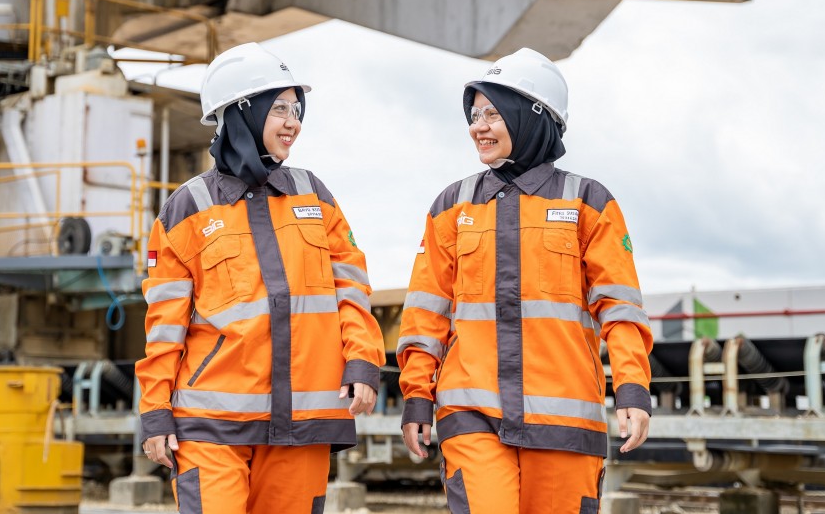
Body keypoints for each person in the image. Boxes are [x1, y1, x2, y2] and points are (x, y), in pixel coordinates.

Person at [397, 47, 653, 514]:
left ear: (533, 116)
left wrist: (633, 389)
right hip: (471, 413)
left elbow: (620, 308)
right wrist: (417, 396)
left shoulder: (588, 202)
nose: (478, 126)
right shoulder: (453, 207)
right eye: (474, 115)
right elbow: (425, 314)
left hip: (564, 418)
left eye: (493, 113)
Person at [136, 42, 385, 514]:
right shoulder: (186, 209)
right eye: (279, 109)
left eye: (298, 109)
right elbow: (163, 327)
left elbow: (351, 288)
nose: (293, 122)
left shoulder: (317, 196)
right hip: (210, 425)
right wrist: (155, 411)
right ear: (240, 113)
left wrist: (363, 361)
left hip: (303, 422)